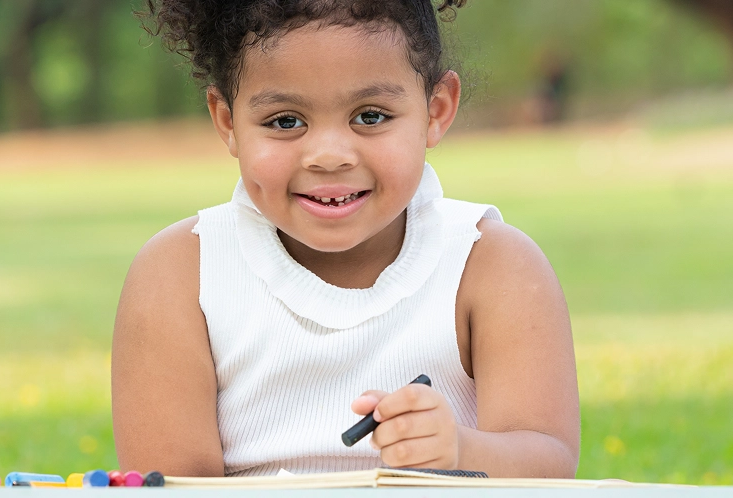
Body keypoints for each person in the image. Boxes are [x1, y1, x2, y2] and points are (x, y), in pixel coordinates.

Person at [111, 0, 580, 479]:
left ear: (435, 110)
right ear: (228, 122)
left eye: (371, 116)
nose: (329, 156)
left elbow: (549, 464)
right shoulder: (181, 275)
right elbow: (168, 484)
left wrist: (461, 449)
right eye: (285, 121)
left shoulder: (492, 265)